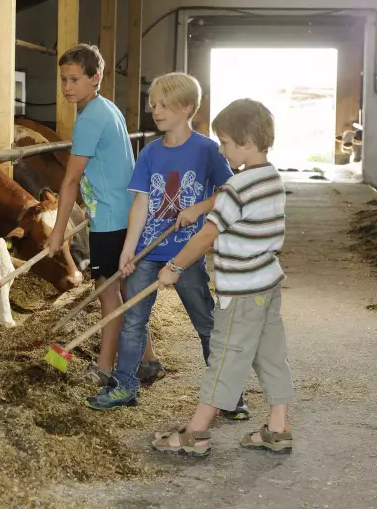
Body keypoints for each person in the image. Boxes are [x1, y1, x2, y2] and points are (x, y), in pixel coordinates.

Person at [85, 72, 249, 419]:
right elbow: (141, 203)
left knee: (205, 321)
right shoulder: (150, 153)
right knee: (133, 321)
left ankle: (227, 393)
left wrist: (198, 209)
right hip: (148, 251)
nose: (155, 111)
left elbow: (229, 193)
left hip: (186, 254)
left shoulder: (207, 150)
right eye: (153, 105)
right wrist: (129, 249)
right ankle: (125, 386)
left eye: (163, 105)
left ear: (187, 107)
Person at [151, 98, 293, 456]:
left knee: (225, 355)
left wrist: (174, 268)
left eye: (226, 142)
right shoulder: (271, 178)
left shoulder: (235, 188)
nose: (220, 147)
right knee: (270, 354)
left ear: (246, 142)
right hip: (267, 285)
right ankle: (278, 428)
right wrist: (201, 206)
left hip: (242, 292)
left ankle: (196, 432)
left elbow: (206, 236)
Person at [46, 43, 163, 386]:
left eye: (74, 79)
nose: (67, 86)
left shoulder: (89, 120)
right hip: (123, 211)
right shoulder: (105, 108)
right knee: (125, 289)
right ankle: (148, 360)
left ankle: (105, 367)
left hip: (111, 218)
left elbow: (69, 181)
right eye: (63, 79)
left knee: (107, 293)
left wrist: (57, 233)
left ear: (95, 78)